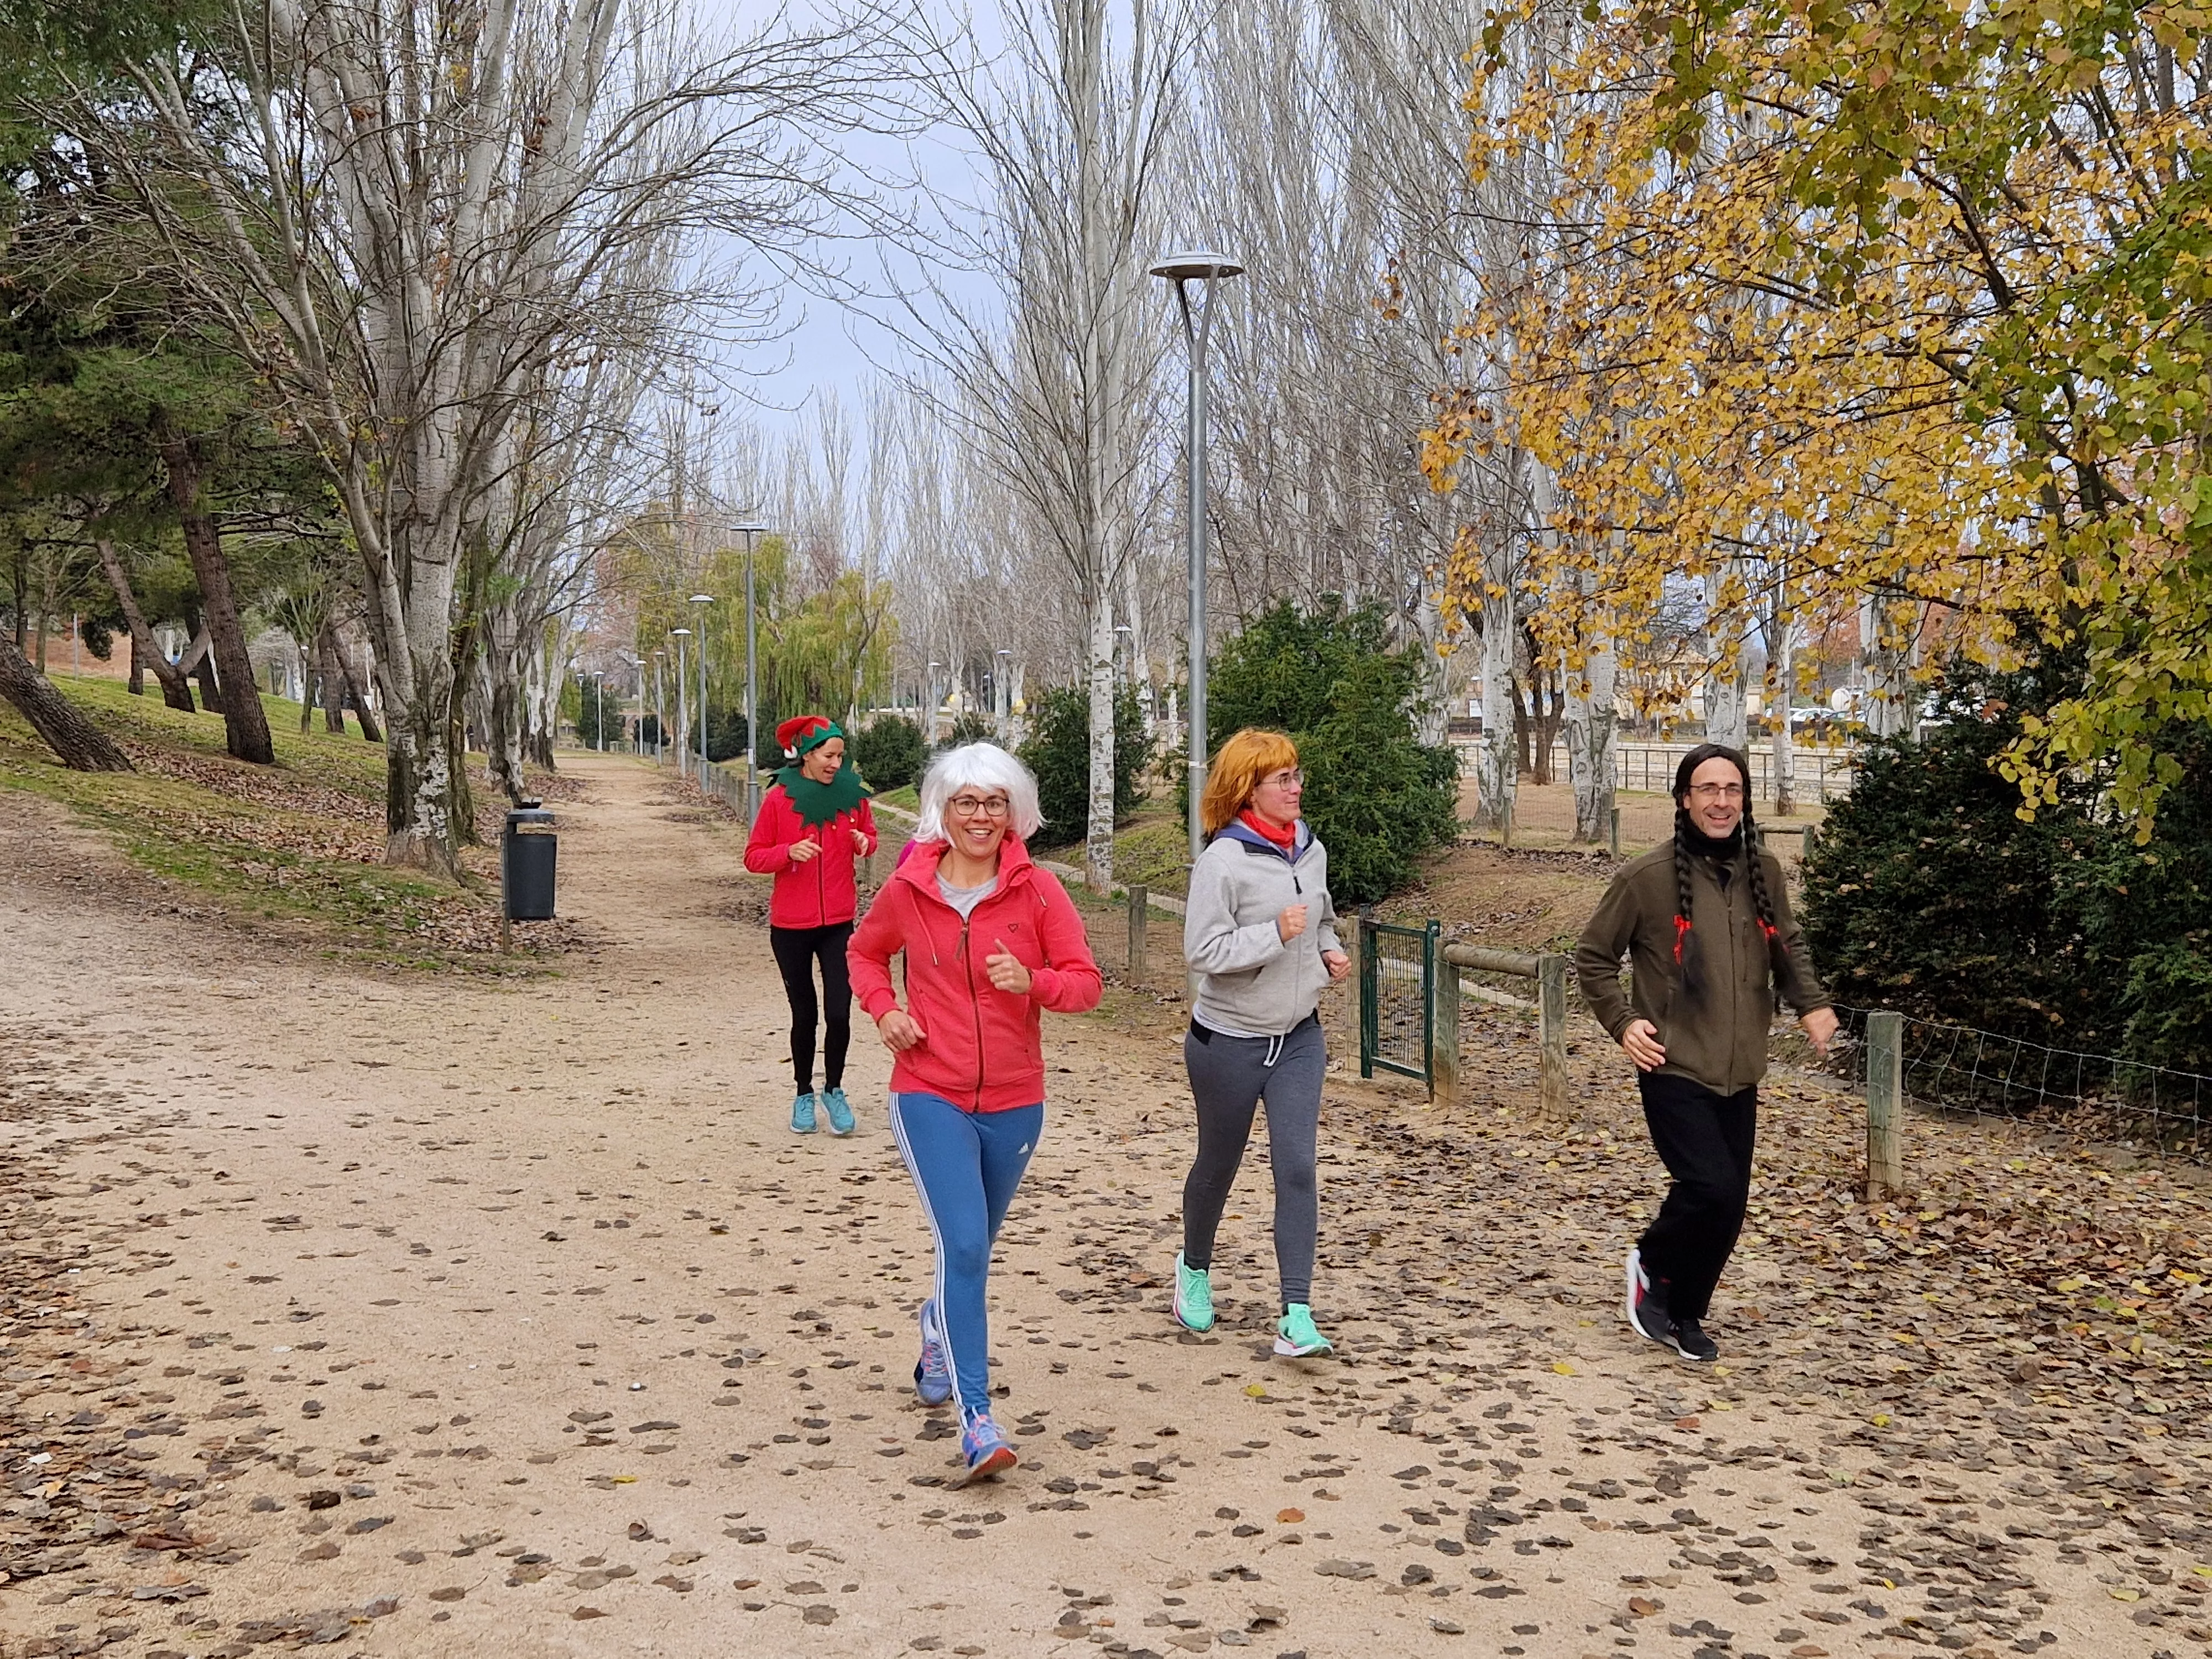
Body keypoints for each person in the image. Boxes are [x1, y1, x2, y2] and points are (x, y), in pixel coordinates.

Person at [847, 742, 1101, 1484]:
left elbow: (1087, 985)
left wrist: (1034, 981)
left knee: (973, 1250)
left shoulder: (1039, 892)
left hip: (1016, 1103)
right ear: (942, 810)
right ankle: (977, 1419)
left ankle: (936, 1329)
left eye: (994, 802)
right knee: (962, 1246)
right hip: (927, 1090)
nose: (981, 815)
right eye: (966, 802)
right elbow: (864, 955)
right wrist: (886, 1010)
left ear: (1013, 812)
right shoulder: (909, 889)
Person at [1574, 742, 1838, 1364]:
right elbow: (1591, 958)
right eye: (1707, 789)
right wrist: (1623, 1023)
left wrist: (1810, 1004)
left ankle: (1684, 1311)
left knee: (1729, 1205)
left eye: (1732, 790)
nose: (1721, 802)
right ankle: (1651, 1262)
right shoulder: (1644, 878)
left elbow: (1788, 946)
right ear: (1684, 798)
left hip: (1741, 1065)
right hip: (1673, 1062)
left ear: (1743, 800)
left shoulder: (1763, 870)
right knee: (1709, 1186)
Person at [1173, 729, 1351, 1360]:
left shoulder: (1311, 850)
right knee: (1217, 1167)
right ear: (1248, 789)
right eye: (1283, 779)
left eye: (1297, 775)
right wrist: (1274, 934)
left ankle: (1295, 1313)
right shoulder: (1222, 862)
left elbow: (1322, 914)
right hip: (1228, 1041)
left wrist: (1328, 948)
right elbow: (1203, 952)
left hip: (1299, 1038)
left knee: (1297, 1167)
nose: (1296, 787)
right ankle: (1193, 1267)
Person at [744, 716, 879, 1136]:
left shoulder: (852, 797)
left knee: (839, 1012)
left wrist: (864, 843)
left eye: (841, 755)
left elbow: (871, 835)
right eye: (829, 755)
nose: (837, 763)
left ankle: (834, 1090)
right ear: (807, 755)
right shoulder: (781, 800)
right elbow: (754, 857)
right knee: (805, 1014)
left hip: (839, 922)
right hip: (791, 927)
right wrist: (788, 852)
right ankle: (804, 1092)